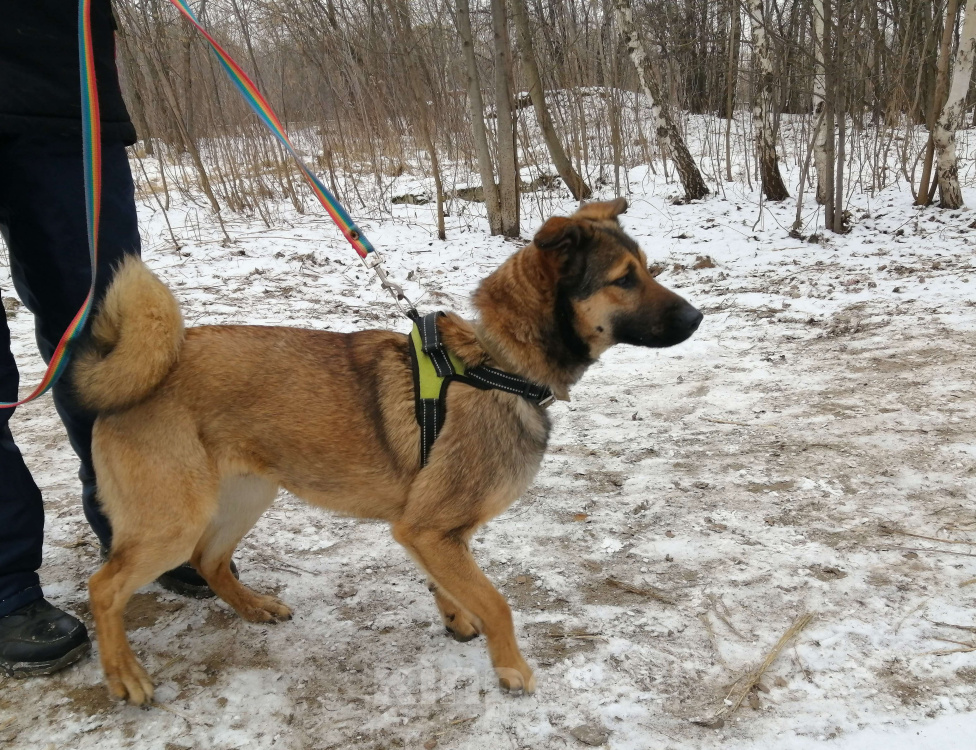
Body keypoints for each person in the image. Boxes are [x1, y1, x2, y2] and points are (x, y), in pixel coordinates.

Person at [0, 0, 235, 678]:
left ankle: (142, 527)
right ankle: (6, 582)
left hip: (61, 94)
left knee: (115, 342)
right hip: (57, 95)